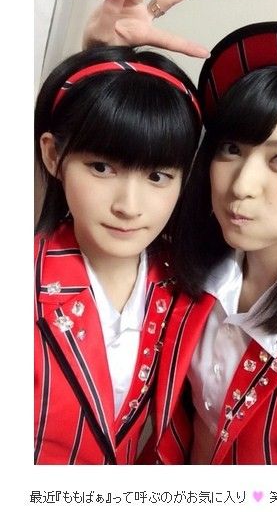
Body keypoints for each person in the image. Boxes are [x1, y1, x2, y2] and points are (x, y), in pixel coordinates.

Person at [82, 0, 277, 464]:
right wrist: (104, 59)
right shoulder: (190, 256)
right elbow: (93, 189)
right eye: (232, 149)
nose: (241, 185)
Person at [34, 44, 203, 464]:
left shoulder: (183, 283)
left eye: (158, 176)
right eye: (102, 168)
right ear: (54, 155)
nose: (129, 206)